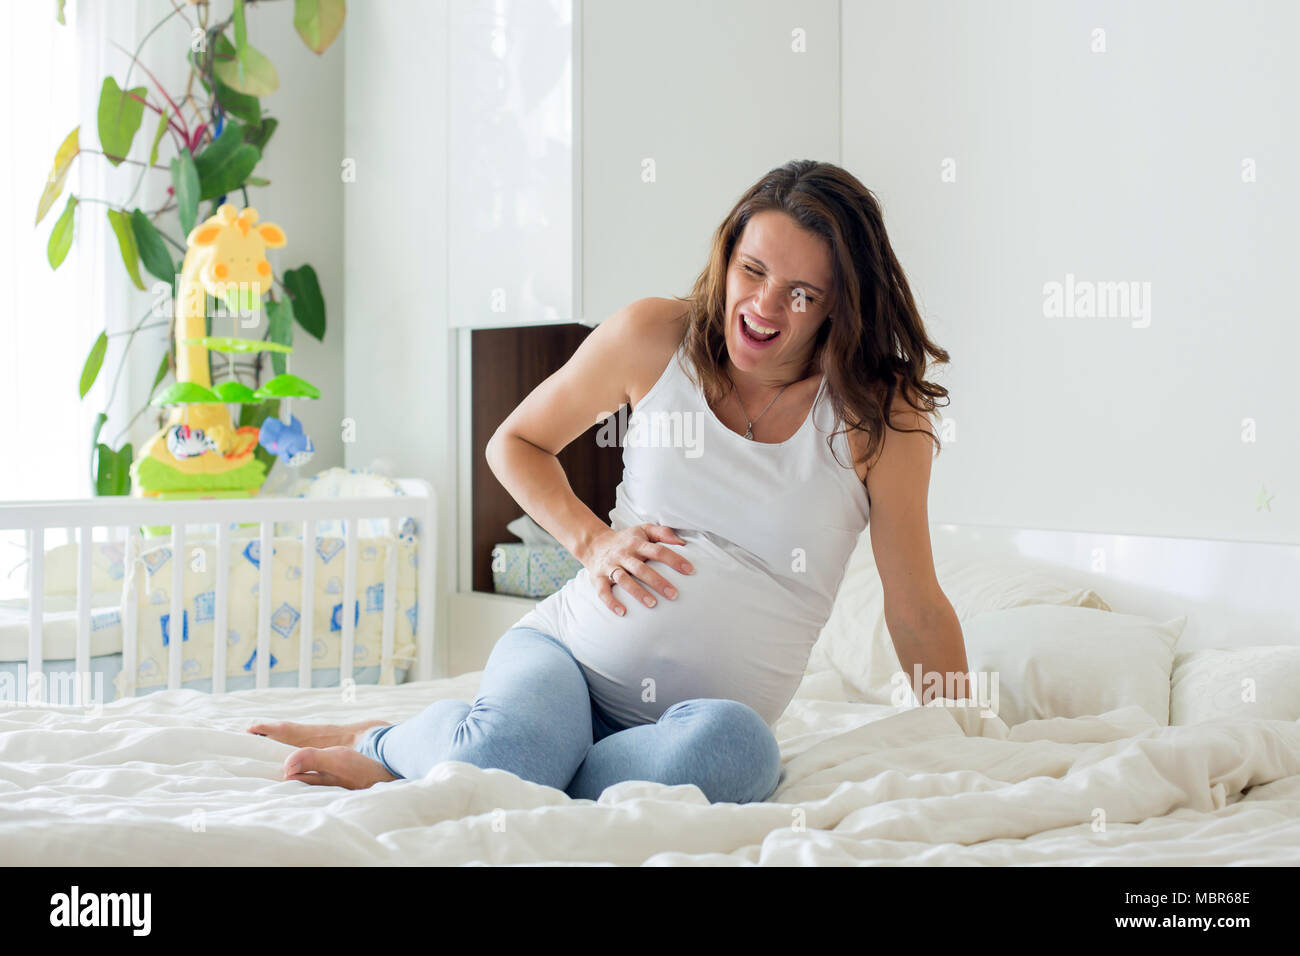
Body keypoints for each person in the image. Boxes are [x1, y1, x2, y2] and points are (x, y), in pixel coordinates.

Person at [248, 160, 969, 803]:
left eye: (802, 293)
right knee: (509, 752)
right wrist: (592, 541)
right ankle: (392, 741)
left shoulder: (880, 419)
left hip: (690, 725)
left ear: (841, 303)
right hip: (569, 659)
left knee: (739, 756)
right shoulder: (654, 338)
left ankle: (507, 754)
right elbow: (516, 443)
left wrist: (968, 738)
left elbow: (916, 611)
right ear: (726, 254)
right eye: (752, 271)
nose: (764, 307)